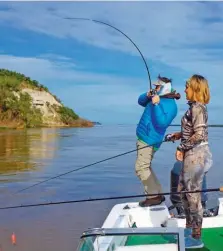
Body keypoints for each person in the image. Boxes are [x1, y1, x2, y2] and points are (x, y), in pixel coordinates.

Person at [170, 74, 213, 249]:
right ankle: (189, 231)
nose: (184, 89)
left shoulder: (198, 108)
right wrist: (179, 135)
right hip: (192, 153)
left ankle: (196, 237)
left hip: (196, 155)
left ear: (195, 88)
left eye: (187, 86)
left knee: (193, 196)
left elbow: (200, 135)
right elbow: (193, 131)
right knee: (184, 193)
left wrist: (181, 147)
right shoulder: (193, 108)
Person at [135, 75, 180, 207]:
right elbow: (140, 101)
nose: (155, 88)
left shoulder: (171, 105)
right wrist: (147, 95)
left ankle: (153, 196)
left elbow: (162, 122)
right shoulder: (156, 97)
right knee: (146, 166)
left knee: (140, 167)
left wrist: (156, 104)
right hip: (144, 136)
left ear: (165, 87)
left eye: (157, 86)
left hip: (150, 139)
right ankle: (157, 194)